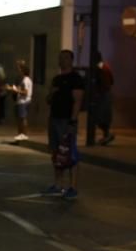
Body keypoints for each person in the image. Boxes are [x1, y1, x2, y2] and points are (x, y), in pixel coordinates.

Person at [41, 49, 84, 200]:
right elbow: (48, 100)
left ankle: (73, 187)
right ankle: (58, 184)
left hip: (67, 120)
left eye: (65, 58)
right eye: (60, 58)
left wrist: (73, 120)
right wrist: (52, 93)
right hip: (54, 118)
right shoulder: (56, 79)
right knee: (56, 153)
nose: (62, 61)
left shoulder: (75, 79)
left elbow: (77, 100)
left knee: (69, 152)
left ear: (71, 60)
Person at [7, 60, 32, 141]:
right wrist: (13, 88)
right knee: (20, 118)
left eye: (20, 70)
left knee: (22, 118)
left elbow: (25, 92)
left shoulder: (25, 80)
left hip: (23, 101)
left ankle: (23, 134)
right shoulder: (25, 80)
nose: (19, 71)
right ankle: (20, 134)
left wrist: (15, 90)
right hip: (21, 101)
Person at [94, 52, 115, 145]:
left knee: (100, 116)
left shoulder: (99, 68)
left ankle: (106, 134)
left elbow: (99, 81)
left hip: (102, 94)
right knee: (104, 116)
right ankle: (106, 134)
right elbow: (112, 80)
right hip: (106, 93)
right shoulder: (106, 66)